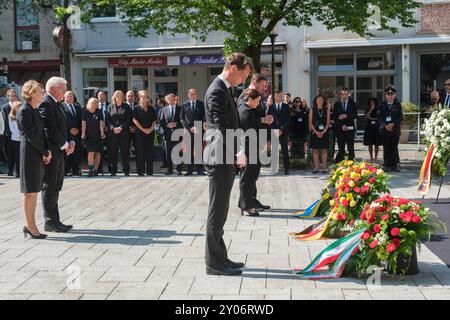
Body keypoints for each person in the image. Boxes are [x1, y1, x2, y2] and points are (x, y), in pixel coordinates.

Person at [204, 52, 253, 276]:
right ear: (233, 68)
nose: (244, 80)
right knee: (217, 212)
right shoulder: (216, 90)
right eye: (244, 75)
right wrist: (238, 151)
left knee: (221, 211)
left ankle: (220, 257)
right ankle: (214, 263)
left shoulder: (223, 89)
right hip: (220, 157)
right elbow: (220, 127)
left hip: (224, 157)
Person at [17, 80, 52, 239]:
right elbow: (31, 136)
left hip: (37, 152)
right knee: (30, 192)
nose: (43, 92)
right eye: (40, 90)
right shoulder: (24, 110)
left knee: (34, 191)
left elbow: (42, 133)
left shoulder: (35, 109)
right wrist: (44, 151)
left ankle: (30, 225)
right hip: (29, 154)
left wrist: (47, 150)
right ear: (30, 93)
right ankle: (30, 226)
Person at [39, 77, 74, 233]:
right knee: (50, 186)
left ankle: (56, 220)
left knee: (56, 186)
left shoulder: (57, 104)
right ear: (54, 88)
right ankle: (50, 221)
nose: (65, 92)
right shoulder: (46, 103)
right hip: (52, 152)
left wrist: (70, 142)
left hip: (60, 151)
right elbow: (49, 130)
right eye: (63, 89)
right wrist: (65, 144)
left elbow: (64, 127)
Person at [237, 73, 273, 211]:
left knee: (253, 172)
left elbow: (257, 115)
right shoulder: (244, 96)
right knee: (248, 173)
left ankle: (251, 200)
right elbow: (244, 117)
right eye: (263, 85)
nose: (264, 88)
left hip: (256, 138)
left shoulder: (256, 96)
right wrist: (262, 120)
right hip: (247, 141)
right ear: (255, 82)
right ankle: (246, 202)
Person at [238, 89, 264, 216]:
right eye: (258, 101)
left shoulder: (247, 109)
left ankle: (244, 203)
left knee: (250, 177)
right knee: (248, 178)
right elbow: (250, 133)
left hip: (251, 148)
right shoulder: (245, 111)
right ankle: (247, 206)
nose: (258, 104)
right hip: (248, 149)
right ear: (251, 99)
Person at [105, 90, 131, 176]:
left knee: (125, 152)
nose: (119, 97)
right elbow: (107, 120)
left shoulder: (126, 107)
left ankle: (126, 170)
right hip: (113, 133)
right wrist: (113, 128)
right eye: (117, 96)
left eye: (120, 96)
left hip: (124, 132)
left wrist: (121, 127)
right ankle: (113, 170)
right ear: (114, 97)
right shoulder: (110, 107)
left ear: (123, 97)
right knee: (113, 152)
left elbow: (129, 119)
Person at [180, 88, 206, 176]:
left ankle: (200, 170)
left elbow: (204, 117)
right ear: (188, 95)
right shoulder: (184, 105)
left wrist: (198, 126)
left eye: (194, 94)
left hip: (198, 129)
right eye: (191, 94)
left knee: (198, 150)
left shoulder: (201, 104)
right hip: (188, 130)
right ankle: (189, 170)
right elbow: (182, 118)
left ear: (197, 95)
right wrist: (189, 127)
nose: (193, 95)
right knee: (188, 151)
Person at [378, 85, 403, 172]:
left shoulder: (398, 104)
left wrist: (393, 124)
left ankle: (394, 165)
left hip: (395, 130)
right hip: (385, 130)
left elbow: (400, 117)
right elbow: (380, 117)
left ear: (394, 95)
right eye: (388, 94)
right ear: (386, 95)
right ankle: (386, 165)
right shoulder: (382, 105)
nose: (390, 96)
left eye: (392, 94)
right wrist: (385, 125)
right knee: (386, 147)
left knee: (394, 147)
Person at [133, 90, 157, 176]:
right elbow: (134, 120)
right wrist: (143, 129)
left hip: (150, 132)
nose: (145, 98)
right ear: (139, 98)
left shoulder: (151, 109)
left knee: (149, 152)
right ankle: (141, 171)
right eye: (143, 97)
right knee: (140, 152)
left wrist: (151, 128)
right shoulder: (136, 108)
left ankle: (150, 171)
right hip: (140, 133)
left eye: (146, 97)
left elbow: (154, 120)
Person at [267, 90, 291, 175]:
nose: (279, 97)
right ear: (274, 97)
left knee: (285, 150)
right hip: (274, 132)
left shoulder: (286, 107)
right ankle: (274, 168)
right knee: (274, 151)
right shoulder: (271, 107)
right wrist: (275, 130)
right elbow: (269, 120)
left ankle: (286, 168)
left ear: (282, 97)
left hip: (283, 132)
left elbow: (288, 120)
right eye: (277, 96)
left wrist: (281, 129)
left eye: (280, 96)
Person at [159, 93, 182, 175]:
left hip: (177, 132)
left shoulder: (180, 109)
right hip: (167, 134)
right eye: (169, 100)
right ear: (167, 101)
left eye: (172, 99)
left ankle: (179, 169)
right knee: (168, 152)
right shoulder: (163, 109)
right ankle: (169, 169)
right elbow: (161, 121)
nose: (171, 101)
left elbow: (182, 120)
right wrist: (167, 125)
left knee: (178, 152)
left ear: (174, 99)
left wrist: (175, 124)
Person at [81, 98, 105, 177]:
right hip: (89, 136)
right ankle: (90, 169)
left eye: (96, 103)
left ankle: (95, 169)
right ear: (90, 103)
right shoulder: (85, 112)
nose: (95, 104)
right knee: (90, 153)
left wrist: (102, 133)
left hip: (98, 135)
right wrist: (83, 133)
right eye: (93, 102)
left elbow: (101, 123)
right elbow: (83, 123)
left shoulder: (99, 111)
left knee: (98, 153)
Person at [333, 87, 357, 163]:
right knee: (341, 148)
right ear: (340, 95)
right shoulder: (337, 104)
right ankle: (340, 164)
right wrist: (342, 125)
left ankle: (352, 164)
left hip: (350, 129)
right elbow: (334, 117)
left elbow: (355, 115)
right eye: (343, 94)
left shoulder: (353, 103)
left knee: (350, 148)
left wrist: (346, 116)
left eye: (346, 94)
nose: (344, 96)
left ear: (348, 94)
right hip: (340, 129)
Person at [62, 91, 82, 176]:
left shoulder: (78, 106)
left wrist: (78, 129)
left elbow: (81, 119)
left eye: (72, 96)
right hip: (66, 134)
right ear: (64, 97)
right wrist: (69, 130)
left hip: (77, 134)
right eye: (68, 96)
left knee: (77, 152)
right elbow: (62, 120)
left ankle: (75, 170)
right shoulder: (61, 106)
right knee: (67, 152)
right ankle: (66, 170)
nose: (70, 98)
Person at [309, 94, 331, 173]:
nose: (320, 101)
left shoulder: (327, 110)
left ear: (323, 101)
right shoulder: (312, 110)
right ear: (315, 101)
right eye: (318, 100)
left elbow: (328, 122)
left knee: (324, 150)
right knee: (315, 150)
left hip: (324, 132)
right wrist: (316, 132)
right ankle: (316, 168)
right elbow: (310, 122)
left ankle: (324, 168)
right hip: (315, 132)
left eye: (321, 100)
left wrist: (323, 131)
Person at [4, 101, 22, 177]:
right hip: (15, 139)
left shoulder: (21, 114)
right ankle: (15, 171)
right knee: (15, 156)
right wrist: (19, 135)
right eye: (18, 107)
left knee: (20, 156)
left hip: (22, 138)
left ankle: (19, 171)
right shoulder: (11, 116)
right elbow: (12, 128)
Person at [1, 89, 18, 167]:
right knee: (10, 152)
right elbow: (5, 120)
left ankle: (17, 169)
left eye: (14, 96)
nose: (13, 97)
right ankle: (10, 169)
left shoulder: (19, 105)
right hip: (9, 134)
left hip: (18, 134)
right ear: (8, 97)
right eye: (11, 96)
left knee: (17, 152)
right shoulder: (5, 107)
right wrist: (8, 132)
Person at [363, 98, 382, 162]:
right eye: (371, 102)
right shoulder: (367, 109)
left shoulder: (378, 109)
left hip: (376, 128)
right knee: (370, 143)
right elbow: (366, 117)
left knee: (377, 143)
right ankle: (371, 157)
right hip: (369, 128)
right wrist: (371, 109)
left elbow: (380, 118)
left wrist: (371, 118)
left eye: (373, 102)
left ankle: (376, 157)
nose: (372, 103)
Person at [96, 90, 110, 174]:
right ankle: (98, 169)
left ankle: (110, 169)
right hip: (97, 131)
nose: (100, 96)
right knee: (98, 150)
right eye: (99, 95)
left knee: (110, 150)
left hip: (109, 131)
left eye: (102, 95)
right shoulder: (94, 105)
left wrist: (108, 127)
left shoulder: (110, 106)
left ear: (106, 96)